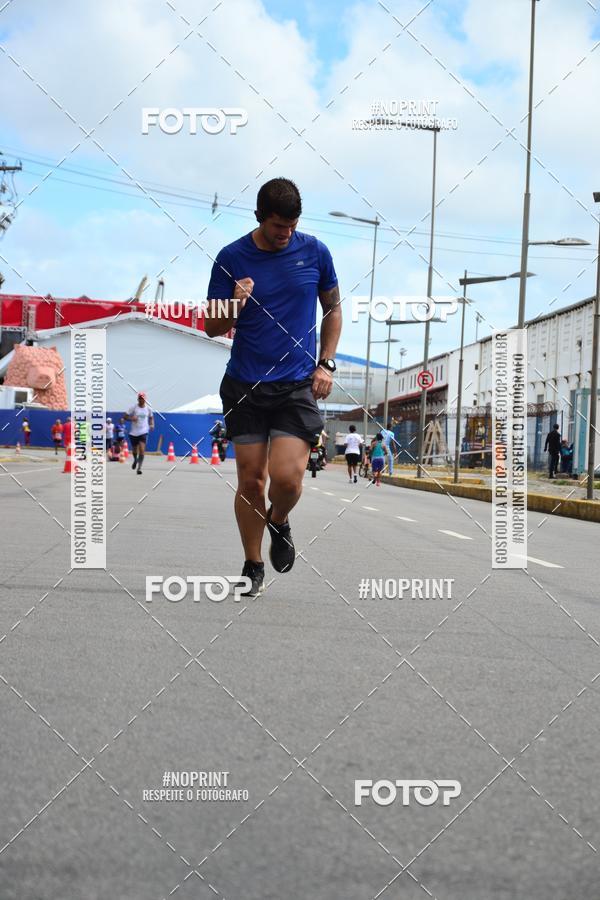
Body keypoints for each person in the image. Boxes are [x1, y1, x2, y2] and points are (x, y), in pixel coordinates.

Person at [205, 177, 341, 597]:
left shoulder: (315, 251)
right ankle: (252, 563)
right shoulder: (231, 258)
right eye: (278, 226)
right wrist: (235, 303)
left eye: (292, 225)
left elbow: (333, 308)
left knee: (287, 478)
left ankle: (279, 520)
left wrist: (327, 363)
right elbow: (212, 327)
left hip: (297, 383)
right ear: (260, 218)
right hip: (245, 384)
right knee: (250, 481)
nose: (286, 234)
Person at [124, 392, 153, 474]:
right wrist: (131, 418)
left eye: (143, 399)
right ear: (138, 399)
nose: (141, 400)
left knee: (142, 449)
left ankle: (139, 468)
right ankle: (135, 460)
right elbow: (125, 416)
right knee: (134, 450)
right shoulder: (133, 407)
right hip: (133, 432)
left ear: (145, 400)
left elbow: (151, 417)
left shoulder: (148, 409)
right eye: (140, 398)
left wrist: (152, 424)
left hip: (144, 431)